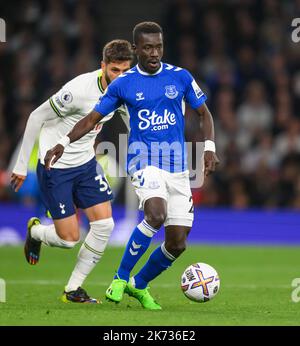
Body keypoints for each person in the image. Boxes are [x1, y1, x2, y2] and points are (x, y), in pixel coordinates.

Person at [44, 22, 219, 310]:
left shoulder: (180, 77)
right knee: (156, 214)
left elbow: (204, 113)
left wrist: (209, 147)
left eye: (159, 47)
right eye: (148, 47)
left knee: (177, 244)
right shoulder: (123, 84)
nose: (154, 53)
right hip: (143, 161)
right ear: (136, 49)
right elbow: (91, 119)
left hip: (177, 167)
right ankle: (120, 277)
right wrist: (63, 142)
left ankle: (138, 285)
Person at [10, 40, 134, 303]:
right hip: (56, 167)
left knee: (104, 225)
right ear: (103, 67)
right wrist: (21, 166)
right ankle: (35, 233)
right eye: (115, 70)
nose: (120, 77)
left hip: (86, 164)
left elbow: (129, 119)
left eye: (126, 70)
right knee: (69, 240)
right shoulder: (78, 90)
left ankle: (72, 290)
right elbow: (36, 117)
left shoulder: (126, 89)